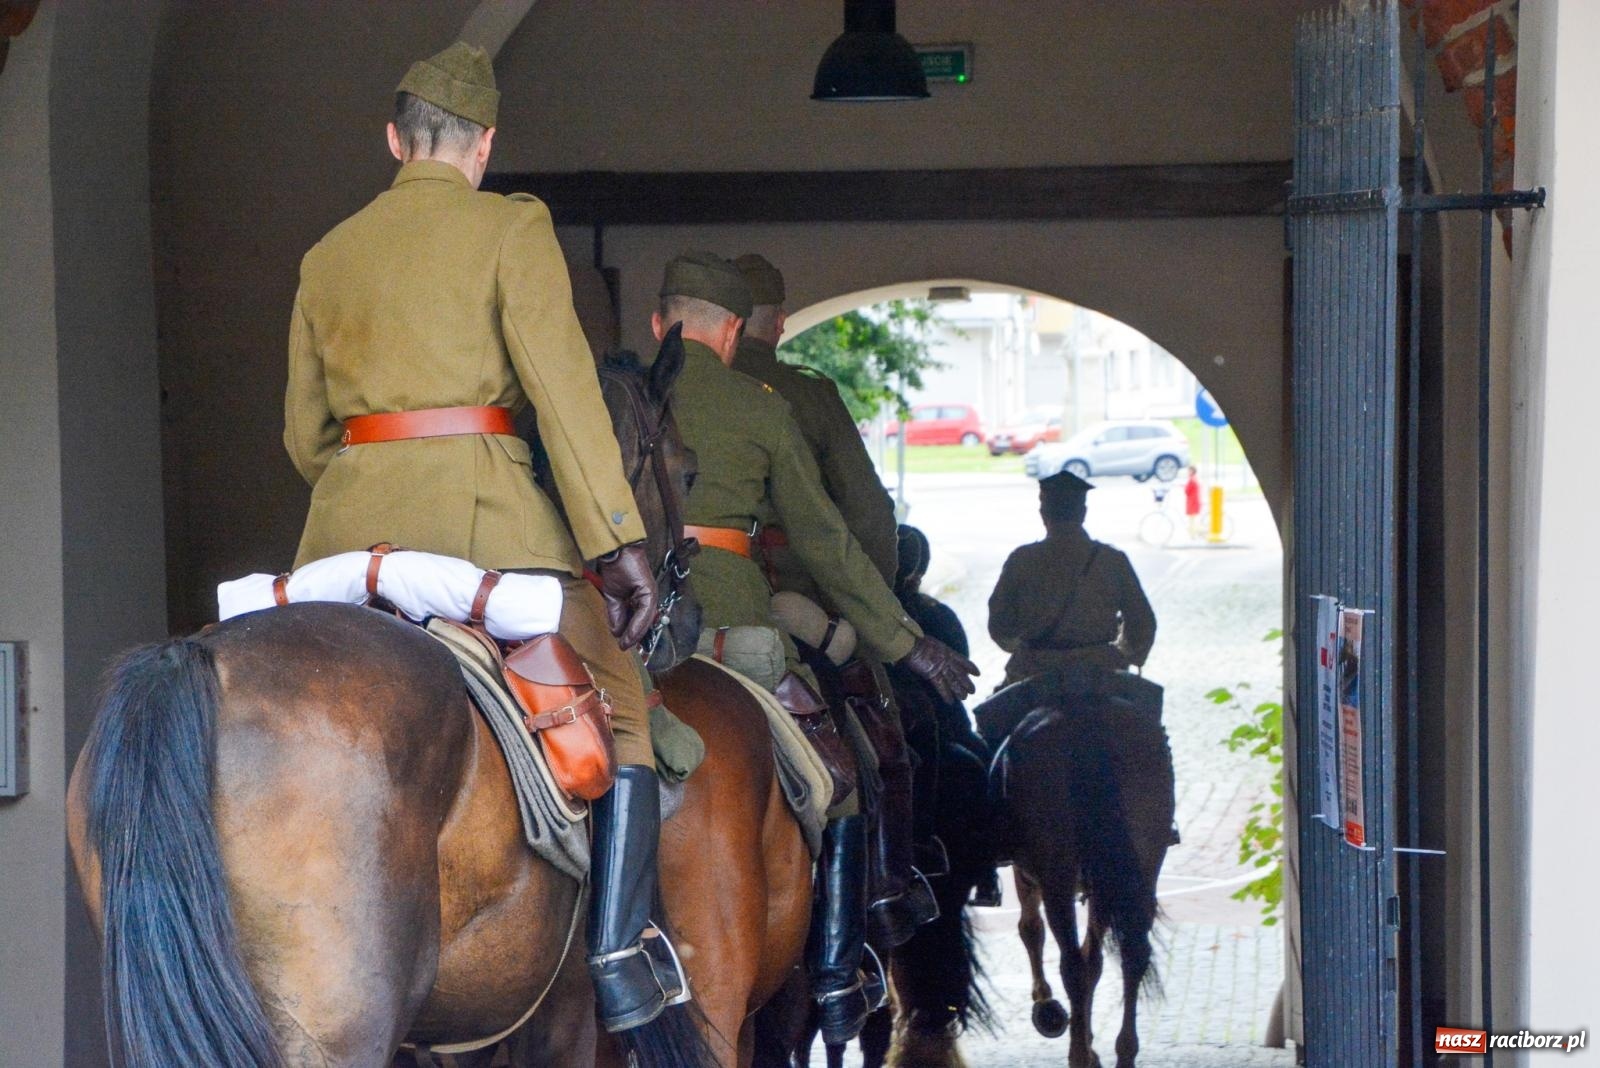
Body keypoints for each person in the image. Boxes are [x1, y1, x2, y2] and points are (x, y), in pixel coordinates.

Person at [281, 42, 679, 1034]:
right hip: (489, 532)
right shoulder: (511, 227)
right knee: (624, 712)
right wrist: (617, 541)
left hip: (342, 544)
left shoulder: (327, 255)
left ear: (393, 140)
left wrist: (368, 484)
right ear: (484, 145)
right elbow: (564, 397)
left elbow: (303, 438)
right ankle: (622, 962)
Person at [656, 251, 977, 1045]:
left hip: (633, 622)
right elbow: (842, 537)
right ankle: (839, 969)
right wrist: (904, 642)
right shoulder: (765, 406)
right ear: (734, 332)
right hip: (742, 611)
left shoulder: (618, 399)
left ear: (659, 323)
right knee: (841, 769)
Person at [731, 253, 935, 946]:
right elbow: (868, 516)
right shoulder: (804, 395)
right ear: (779, 321)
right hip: (801, 608)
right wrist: (871, 612)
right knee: (880, 748)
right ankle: (882, 898)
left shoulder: (675, 389)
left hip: (696, 607)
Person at [890, 524, 1004, 907]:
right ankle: (987, 871)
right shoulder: (938, 614)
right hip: (940, 721)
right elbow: (960, 673)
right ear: (920, 569)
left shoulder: (874, 612)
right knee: (983, 764)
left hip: (888, 714)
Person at [988, 470, 1157, 688]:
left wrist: (1025, 647)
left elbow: (999, 625)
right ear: (1083, 513)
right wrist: (1124, 655)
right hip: (1101, 673)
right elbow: (1142, 622)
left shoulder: (1021, 560)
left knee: (995, 720)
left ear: (1043, 512)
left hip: (1032, 674)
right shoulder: (1113, 560)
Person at [1184, 464, 1203, 536]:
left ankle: (1193, 534)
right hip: (1195, 502)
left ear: (1192, 471)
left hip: (1192, 502)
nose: (1187, 472)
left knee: (1192, 520)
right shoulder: (1195, 478)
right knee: (1193, 519)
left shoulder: (1191, 480)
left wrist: (1184, 487)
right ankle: (1193, 532)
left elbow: (1186, 491)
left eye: (1188, 471)